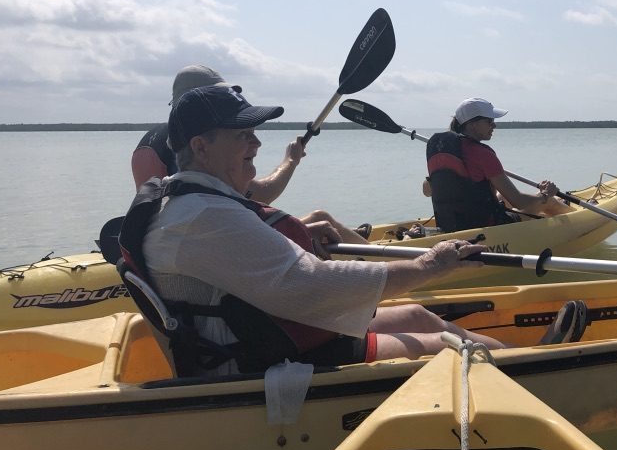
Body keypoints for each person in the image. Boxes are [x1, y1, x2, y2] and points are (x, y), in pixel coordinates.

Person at [121, 84, 529, 376]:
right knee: (442, 345)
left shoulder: (188, 199)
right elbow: (309, 284)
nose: (257, 143)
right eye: (242, 134)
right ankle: (535, 374)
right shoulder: (203, 215)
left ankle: (525, 358)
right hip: (256, 362)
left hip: (267, 331)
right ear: (200, 146)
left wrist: (300, 238)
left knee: (419, 315)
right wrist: (429, 265)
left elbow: (254, 263)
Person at [132, 64, 367, 244]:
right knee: (319, 217)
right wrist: (291, 161)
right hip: (213, 242)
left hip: (161, 241)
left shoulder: (150, 141)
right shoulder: (191, 147)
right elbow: (259, 195)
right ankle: (391, 263)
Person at [425, 97, 572, 233]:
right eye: (489, 121)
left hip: (452, 225)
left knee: (501, 195)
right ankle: (584, 219)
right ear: (473, 124)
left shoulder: (442, 150)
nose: (494, 125)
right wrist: (546, 194)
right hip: (491, 227)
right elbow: (519, 201)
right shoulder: (483, 153)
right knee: (549, 202)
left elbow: (427, 190)